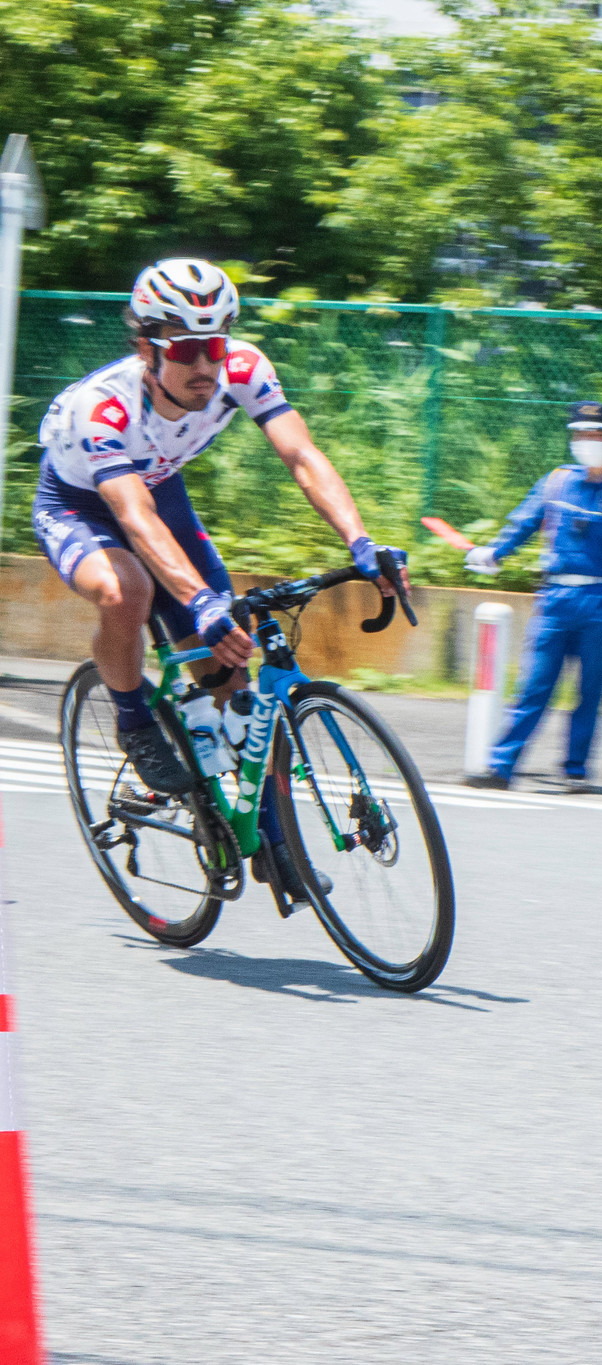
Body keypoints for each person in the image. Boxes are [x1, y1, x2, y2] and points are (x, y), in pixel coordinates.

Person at [32, 258, 407, 909]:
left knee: (233, 677)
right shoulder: (105, 408)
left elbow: (302, 456)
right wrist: (199, 600)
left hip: (159, 490)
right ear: (147, 347)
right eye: (187, 350)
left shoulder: (241, 368)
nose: (206, 365)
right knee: (129, 591)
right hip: (83, 503)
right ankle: (133, 721)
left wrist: (362, 542)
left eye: (216, 344)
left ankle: (266, 829)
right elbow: (132, 517)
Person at [462, 402, 602, 794]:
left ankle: (575, 770)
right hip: (555, 598)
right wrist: (494, 552)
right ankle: (501, 766)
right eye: (580, 434)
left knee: (590, 691)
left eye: (596, 435)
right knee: (534, 685)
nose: (587, 441)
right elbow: (525, 521)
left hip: (601, 600)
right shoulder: (557, 482)